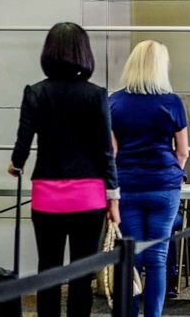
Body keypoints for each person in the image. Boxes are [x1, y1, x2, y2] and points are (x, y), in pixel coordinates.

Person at [8, 22, 119, 317]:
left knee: (49, 271)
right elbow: (106, 151)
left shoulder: (35, 92)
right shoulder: (97, 95)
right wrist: (114, 197)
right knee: (82, 274)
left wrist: (15, 165)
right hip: (89, 197)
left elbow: (23, 142)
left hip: (47, 195)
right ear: (84, 53)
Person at [110, 40, 190, 317]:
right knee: (157, 258)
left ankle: (130, 313)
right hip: (164, 186)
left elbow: (113, 151)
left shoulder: (114, 102)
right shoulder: (172, 101)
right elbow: (183, 151)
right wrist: (175, 175)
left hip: (128, 185)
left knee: (131, 258)